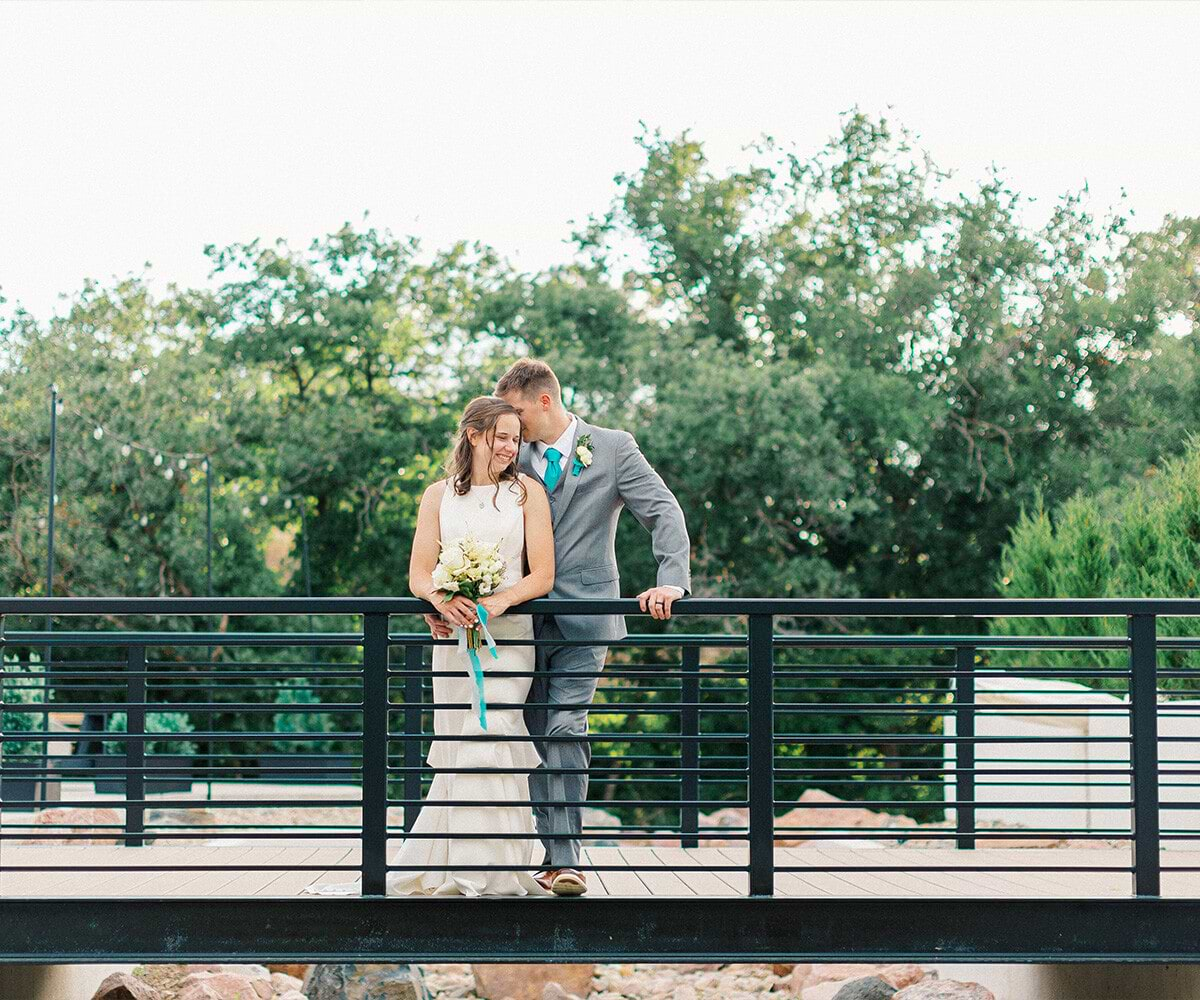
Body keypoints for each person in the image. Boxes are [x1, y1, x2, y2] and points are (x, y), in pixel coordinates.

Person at [428, 359, 691, 896]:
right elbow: (466, 522)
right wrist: (445, 596)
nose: (513, 426)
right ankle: (515, 854)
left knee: (564, 726)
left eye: (519, 412)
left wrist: (672, 582)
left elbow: (662, 510)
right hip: (513, 623)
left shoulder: (614, 447)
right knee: (516, 734)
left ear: (544, 401)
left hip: (586, 617)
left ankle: (564, 858)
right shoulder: (507, 453)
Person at [308, 396, 555, 896]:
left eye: (515, 437)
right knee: (457, 740)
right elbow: (419, 574)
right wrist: (444, 599)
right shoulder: (437, 496)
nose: (510, 446)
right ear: (473, 434)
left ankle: (497, 870)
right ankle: (452, 863)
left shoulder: (529, 492)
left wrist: (499, 602)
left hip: (507, 638)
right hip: (454, 639)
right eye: (501, 436)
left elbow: (543, 575)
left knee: (495, 733)